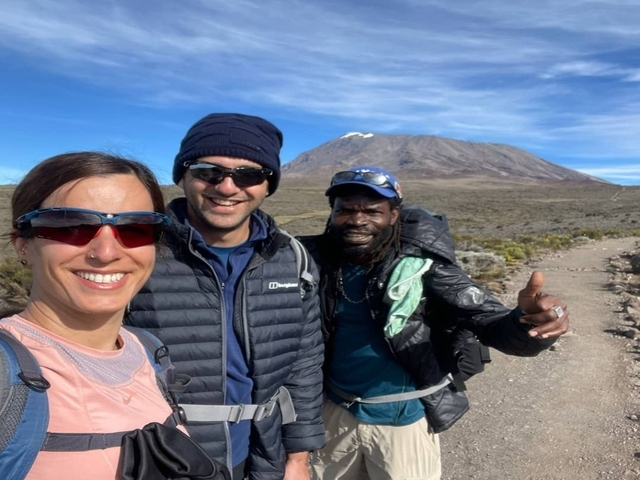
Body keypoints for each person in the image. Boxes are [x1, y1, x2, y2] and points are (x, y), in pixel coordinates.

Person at [300, 166, 570, 480]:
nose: (357, 220)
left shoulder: (423, 269)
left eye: (372, 211)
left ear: (394, 216)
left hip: (401, 419)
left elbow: (489, 322)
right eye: (345, 210)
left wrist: (527, 324)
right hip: (334, 413)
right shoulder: (312, 264)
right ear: (332, 214)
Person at [0, 152, 229, 480]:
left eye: (136, 228)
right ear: (23, 244)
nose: (106, 253)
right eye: (71, 226)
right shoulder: (6, 375)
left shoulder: (146, 351)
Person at [125, 113, 325, 480]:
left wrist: (298, 459)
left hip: (261, 454)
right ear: (183, 175)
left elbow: (303, 367)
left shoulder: (290, 259)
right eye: (209, 172)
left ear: (268, 185)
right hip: (165, 458)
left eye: (249, 174)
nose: (228, 187)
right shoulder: (137, 252)